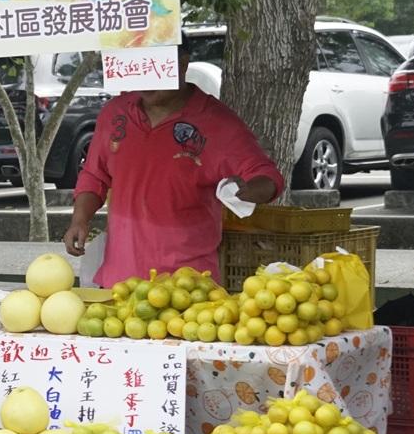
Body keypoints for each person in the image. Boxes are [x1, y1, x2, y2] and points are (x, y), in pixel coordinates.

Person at [63, 43, 283, 285]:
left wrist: (251, 190)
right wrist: (79, 220)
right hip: (119, 282)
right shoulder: (114, 113)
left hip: (188, 286)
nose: (144, 79)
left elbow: (267, 177)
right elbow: (95, 175)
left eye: (153, 66)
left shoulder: (218, 122)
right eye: (138, 67)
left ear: (183, 63)